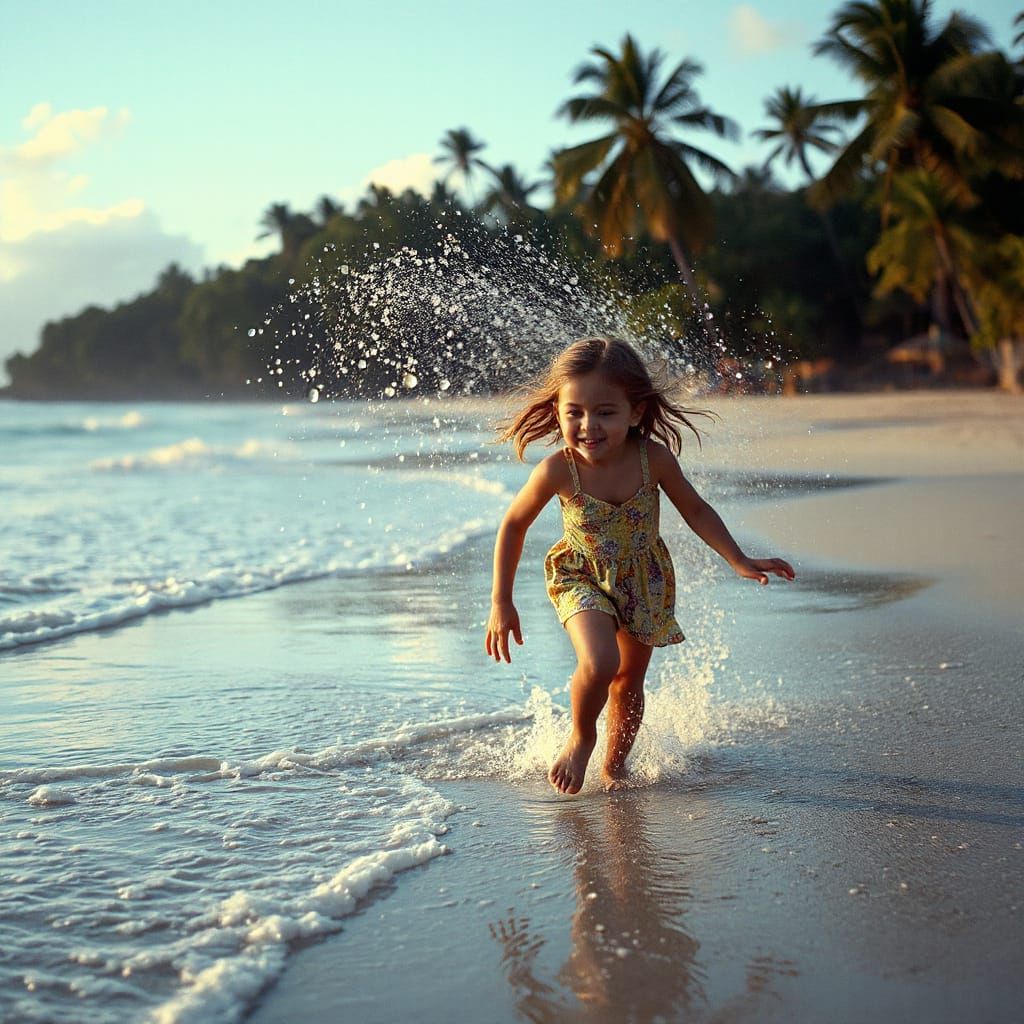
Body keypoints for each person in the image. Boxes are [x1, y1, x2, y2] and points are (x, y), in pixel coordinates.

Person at [485, 337, 794, 795]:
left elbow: (697, 511)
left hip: (643, 578)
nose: (588, 425)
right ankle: (582, 735)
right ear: (558, 412)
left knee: (629, 682)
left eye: (605, 412)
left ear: (635, 412)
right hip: (581, 575)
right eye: (575, 413)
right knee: (601, 660)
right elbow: (513, 524)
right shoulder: (559, 470)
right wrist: (501, 601)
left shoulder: (653, 460)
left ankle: (615, 765)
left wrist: (738, 559)